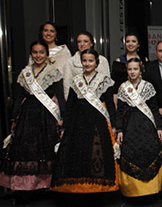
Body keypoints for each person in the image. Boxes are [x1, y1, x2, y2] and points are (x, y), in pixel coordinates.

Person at [51, 48, 118, 194]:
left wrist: (113, 125)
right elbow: (70, 105)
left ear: (96, 62)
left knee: (96, 154)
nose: (87, 64)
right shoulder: (76, 81)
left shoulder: (105, 81)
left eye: (90, 61)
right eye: (85, 61)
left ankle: (96, 189)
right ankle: (80, 188)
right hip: (78, 122)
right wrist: (65, 127)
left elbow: (110, 105)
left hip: (97, 122)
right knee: (78, 155)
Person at [0, 39, 64, 192]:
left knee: (45, 147)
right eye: (35, 52)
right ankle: (25, 185)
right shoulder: (25, 73)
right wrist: (14, 118)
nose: (38, 55)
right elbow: (19, 98)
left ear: (46, 54)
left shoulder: (53, 72)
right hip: (27, 115)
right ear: (31, 54)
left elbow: (60, 96)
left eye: (41, 52)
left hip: (46, 115)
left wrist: (63, 118)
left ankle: (45, 184)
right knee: (26, 148)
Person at [116, 58, 162, 197]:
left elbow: (154, 109)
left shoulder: (148, 86)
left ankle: (151, 189)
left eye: (135, 69)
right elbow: (119, 111)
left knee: (150, 152)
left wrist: (159, 128)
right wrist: (119, 129)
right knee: (131, 153)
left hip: (147, 126)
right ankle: (132, 190)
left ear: (141, 70)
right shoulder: (123, 87)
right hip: (129, 127)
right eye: (130, 69)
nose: (132, 72)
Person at [37, 21, 72, 94]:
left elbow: (68, 77)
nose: (48, 33)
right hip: (39, 93)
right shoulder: (36, 51)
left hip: (58, 93)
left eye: (52, 31)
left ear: (56, 34)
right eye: (45, 30)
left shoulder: (64, 52)